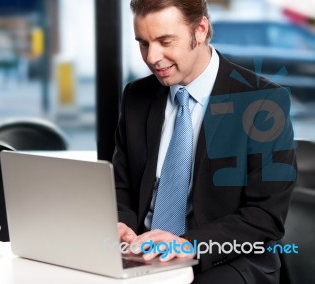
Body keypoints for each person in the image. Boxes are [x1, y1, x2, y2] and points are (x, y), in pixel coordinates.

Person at [113, 0, 297, 283]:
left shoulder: (263, 102)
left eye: (165, 41)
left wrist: (188, 244)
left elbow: (265, 215)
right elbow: (122, 187)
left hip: (227, 259)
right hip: (144, 253)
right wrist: (122, 224)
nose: (152, 57)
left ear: (200, 30)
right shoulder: (137, 96)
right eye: (143, 43)